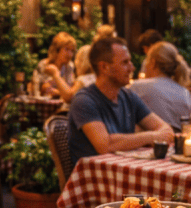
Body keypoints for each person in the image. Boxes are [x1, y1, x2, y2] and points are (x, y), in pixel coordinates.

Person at [67, 37, 173, 166]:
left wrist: (154, 135)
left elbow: (166, 131)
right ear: (104, 67)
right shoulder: (84, 100)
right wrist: (153, 136)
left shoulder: (129, 97)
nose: (132, 68)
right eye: (125, 62)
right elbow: (105, 145)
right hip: (94, 181)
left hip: (125, 174)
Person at [130, 42, 191, 131]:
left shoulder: (137, 87)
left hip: (147, 142)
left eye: (146, 60)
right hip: (176, 142)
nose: (145, 66)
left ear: (153, 63)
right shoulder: (185, 92)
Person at [32, 32, 76, 101]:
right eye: (66, 49)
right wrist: (43, 89)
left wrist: (56, 92)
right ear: (57, 50)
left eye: (72, 51)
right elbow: (35, 90)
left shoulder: (69, 67)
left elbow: (71, 92)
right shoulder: (43, 65)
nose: (70, 54)